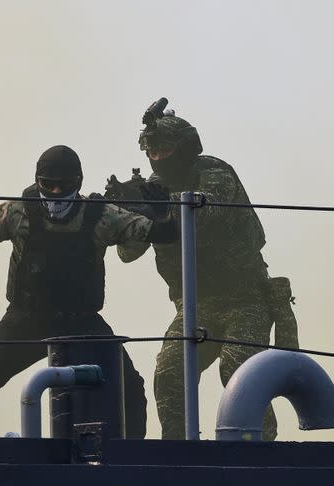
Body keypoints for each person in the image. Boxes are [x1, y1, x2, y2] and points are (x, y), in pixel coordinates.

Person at [0, 145, 178, 437]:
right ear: (36, 180)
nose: (53, 192)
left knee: (129, 389)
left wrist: (163, 215)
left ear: (78, 183)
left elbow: (162, 233)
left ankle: (129, 463)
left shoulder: (103, 216)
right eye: (46, 184)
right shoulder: (16, 213)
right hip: (24, 320)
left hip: (82, 323)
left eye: (62, 186)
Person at [111, 98, 298, 441]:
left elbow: (204, 216)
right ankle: (180, 456)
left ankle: (259, 449)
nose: (157, 158)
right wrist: (130, 214)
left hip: (246, 298)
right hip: (194, 306)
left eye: (164, 150)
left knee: (240, 370)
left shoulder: (215, 173)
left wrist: (158, 208)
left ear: (185, 147)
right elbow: (128, 253)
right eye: (151, 152)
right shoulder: (154, 190)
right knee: (169, 374)